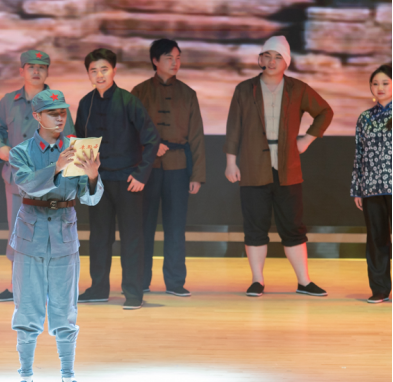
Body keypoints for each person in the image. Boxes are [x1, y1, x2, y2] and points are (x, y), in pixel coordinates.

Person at [7, 90, 103, 382]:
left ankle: (68, 377)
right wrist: (57, 167)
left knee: (66, 309)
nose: (60, 117)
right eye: (52, 112)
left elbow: (90, 198)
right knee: (27, 308)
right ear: (37, 116)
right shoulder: (21, 151)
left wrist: (92, 176)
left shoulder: (77, 149)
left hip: (64, 236)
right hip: (30, 237)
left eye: (62, 111)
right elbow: (27, 184)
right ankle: (25, 377)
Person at [224, 36, 334, 298]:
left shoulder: (298, 88)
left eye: (278, 57)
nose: (272, 62)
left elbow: (325, 112)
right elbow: (233, 127)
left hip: (288, 168)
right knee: (255, 225)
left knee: (293, 226)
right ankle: (257, 280)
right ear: (260, 59)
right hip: (252, 166)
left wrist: (307, 139)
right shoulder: (245, 89)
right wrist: (230, 162)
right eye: (268, 56)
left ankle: (304, 281)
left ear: (287, 62)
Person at [75, 48, 161, 310]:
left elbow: (152, 138)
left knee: (132, 238)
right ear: (88, 74)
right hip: (98, 181)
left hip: (128, 181)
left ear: (114, 70)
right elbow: (79, 142)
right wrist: (84, 178)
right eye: (93, 70)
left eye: (104, 69)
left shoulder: (128, 101)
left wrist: (141, 174)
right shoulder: (86, 103)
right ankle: (98, 288)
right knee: (99, 237)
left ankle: (133, 293)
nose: (99, 75)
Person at [0, 50, 76, 303]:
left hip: (50, 182)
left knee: (52, 234)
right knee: (19, 233)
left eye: (41, 67)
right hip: (17, 180)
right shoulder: (9, 101)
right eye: (31, 67)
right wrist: (0, 147)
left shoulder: (57, 102)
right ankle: (16, 287)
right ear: (22, 71)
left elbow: (70, 139)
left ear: (47, 72)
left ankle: (50, 288)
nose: (36, 71)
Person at [132, 39, 206, 297]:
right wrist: (150, 147)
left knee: (175, 227)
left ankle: (175, 282)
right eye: (168, 58)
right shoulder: (139, 92)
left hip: (178, 167)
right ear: (155, 61)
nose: (175, 63)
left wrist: (197, 175)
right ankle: (141, 280)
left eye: (178, 57)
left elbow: (197, 137)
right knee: (144, 226)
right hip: (147, 169)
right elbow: (130, 130)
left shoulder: (188, 94)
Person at [352, 64, 392, 304]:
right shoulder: (365, 118)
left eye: (385, 83)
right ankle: (380, 289)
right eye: (375, 83)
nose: (380, 88)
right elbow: (359, 153)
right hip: (371, 187)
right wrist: (357, 188)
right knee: (377, 238)